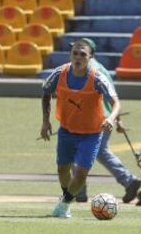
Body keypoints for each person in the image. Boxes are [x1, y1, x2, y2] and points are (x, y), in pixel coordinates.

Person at [40, 38, 121, 218]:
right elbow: (46, 93)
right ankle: (66, 197)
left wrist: (112, 118)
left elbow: (115, 102)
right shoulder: (59, 73)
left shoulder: (97, 78)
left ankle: (65, 204)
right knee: (62, 169)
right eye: (74, 53)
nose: (77, 57)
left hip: (91, 134)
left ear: (90, 57)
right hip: (67, 130)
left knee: (81, 172)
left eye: (82, 54)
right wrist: (45, 122)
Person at [76, 58, 141, 204]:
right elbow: (113, 96)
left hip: (92, 118)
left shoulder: (86, 70)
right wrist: (117, 119)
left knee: (78, 150)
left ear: (89, 53)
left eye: (81, 52)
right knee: (101, 151)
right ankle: (128, 181)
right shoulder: (102, 68)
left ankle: (79, 191)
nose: (76, 55)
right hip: (106, 117)